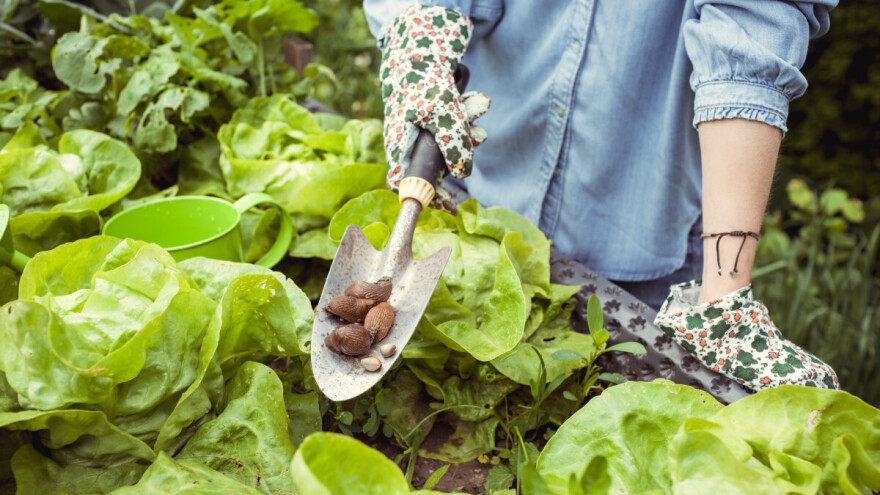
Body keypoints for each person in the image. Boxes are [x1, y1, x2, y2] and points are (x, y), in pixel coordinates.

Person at [363, 0, 840, 391]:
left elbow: (750, 34)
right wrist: (422, 33)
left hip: (644, 241)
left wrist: (724, 298)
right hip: (478, 194)